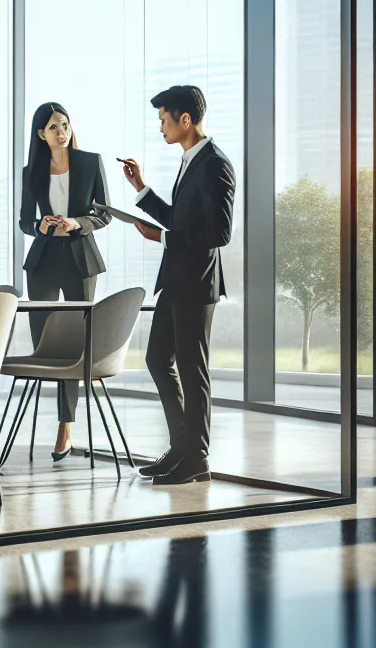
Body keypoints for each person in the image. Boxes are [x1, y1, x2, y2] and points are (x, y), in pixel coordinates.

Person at [118, 85, 236, 486]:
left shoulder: (216, 165)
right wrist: (141, 189)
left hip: (196, 283)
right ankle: (181, 446)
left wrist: (161, 239)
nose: (161, 128)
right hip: (176, 280)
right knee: (157, 360)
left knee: (192, 369)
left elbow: (219, 233)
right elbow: (180, 219)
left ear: (185, 120)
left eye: (164, 120)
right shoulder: (191, 160)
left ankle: (196, 457)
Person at [17, 101, 111, 462]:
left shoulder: (90, 162)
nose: (62, 131)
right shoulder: (31, 171)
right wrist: (38, 226)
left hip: (79, 259)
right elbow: (25, 220)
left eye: (66, 124)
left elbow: (103, 213)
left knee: (72, 346)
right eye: (55, 126)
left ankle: (65, 424)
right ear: (42, 133)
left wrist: (77, 223)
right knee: (47, 345)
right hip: (42, 262)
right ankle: (53, 421)